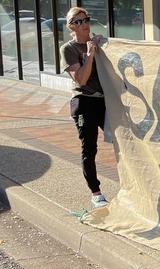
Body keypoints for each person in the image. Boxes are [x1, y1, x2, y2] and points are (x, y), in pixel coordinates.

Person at [60, 7, 109, 208]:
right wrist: (90, 54)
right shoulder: (69, 49)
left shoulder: (99, 42)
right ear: (71, 26)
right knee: (89, 147)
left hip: (104, 101)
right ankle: (96, 192)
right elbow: (80, 79)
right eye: (78, 21)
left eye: (86, 19)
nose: (84, 24)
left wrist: (105, 47)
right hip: (83, 102)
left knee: (125, 140)